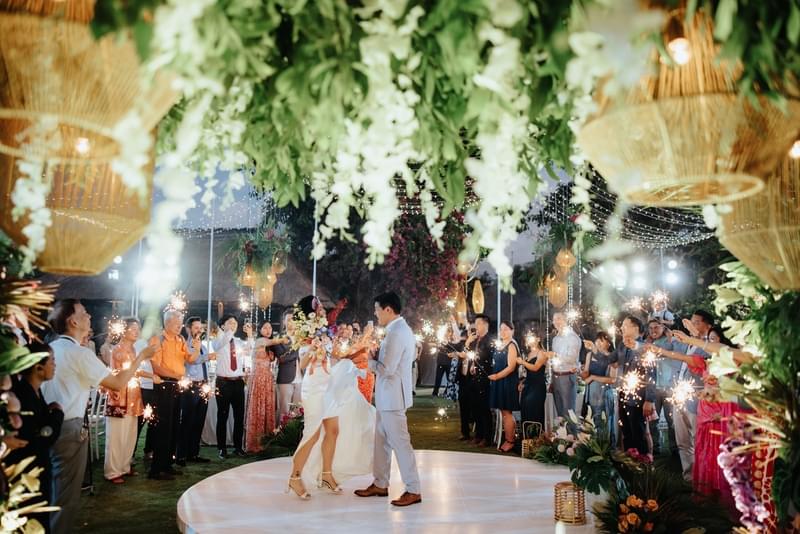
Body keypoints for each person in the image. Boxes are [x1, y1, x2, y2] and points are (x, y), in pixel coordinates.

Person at [42, 299, 155, 534]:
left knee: (50, 491)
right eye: (84, 313)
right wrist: (141, 357)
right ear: (73, 321)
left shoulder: (51, 348)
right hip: (69, 427)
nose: (89, 316)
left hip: (46, 424)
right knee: (65, 497)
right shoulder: (79, 353)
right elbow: (117, 382)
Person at [288, 296, 375, 500]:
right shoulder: (303, 334)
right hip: (314, 388)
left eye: (320, 306)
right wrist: (313, 348)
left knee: (333, 431)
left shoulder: (325, 331)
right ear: (309, 313)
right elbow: (302, 365)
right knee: (312, 434)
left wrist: (360, 343)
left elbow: (336, 355)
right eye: (317, 306)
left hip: (328, 386)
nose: (321, 309)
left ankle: (327, 475)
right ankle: (295, 476)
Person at [355, 292, 422, 507]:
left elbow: (387, 369)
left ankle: (413, 489)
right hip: (388, 396)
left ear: (388, 309)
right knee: (382, 442)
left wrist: (369, 360)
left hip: (393, 397)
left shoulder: (397, 332)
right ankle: (380, 483)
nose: (376, 314)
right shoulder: (398, 330)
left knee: (401, 444)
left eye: (377, 310)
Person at [7, 342, 63, 533]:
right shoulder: (23, 397)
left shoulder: (35, 391)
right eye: (52, 361)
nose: (55, 365)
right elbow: (44, 436)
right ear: (38, 367)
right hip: (28, 476)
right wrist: (57, 415)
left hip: (37, 471)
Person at [148, 310, 202, 480]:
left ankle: (167, 464)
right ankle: (156, 469)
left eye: (180, 324)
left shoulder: (180, 340)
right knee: (163, 426)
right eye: (177, 324)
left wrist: (197, 348)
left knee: (173, 426)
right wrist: (176, 376)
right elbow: (155, 366)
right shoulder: (158, 339)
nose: (180, 326)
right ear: (167, 323)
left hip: (177, 385)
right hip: (164, 384)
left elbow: (190, 359)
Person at [104, 318, 145, 483]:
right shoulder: (117, 350)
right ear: (124, 331)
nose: (137, 332)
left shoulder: (133, 349)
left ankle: (125, 466)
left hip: (133, 396)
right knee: (116, 437)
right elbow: (119, 373)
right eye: (133, 328)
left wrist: (151, 376)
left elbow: (135, 371)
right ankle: (112, 471)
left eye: (138, 328)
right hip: (119, 397)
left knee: (130, 434)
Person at [613, 316, 656, 456]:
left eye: (625, 325)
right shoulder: (622, 346)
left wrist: (649, 400)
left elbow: (651, 374)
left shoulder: (645, 348)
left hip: (638, 397)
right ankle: (629, 462)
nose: (622, 328)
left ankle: (643, 463)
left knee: (638, 433)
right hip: (623, 395)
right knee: (626, 432)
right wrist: (595, 350)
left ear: (635, 328)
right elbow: (610, 359)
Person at [212, 314, 251, 459]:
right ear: (222, 326)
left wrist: (250, 335)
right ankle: (222, 448)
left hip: (238, 382)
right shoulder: (217, 340)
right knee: (222, 415)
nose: (234, 325)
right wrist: (228, 331)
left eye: (235, 323)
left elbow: (250, 349)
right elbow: (222, 343)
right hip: (223, 383)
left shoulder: (238, 341)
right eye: (230, 322)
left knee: (239, 416)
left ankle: (238, 447)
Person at [646, 319, 685, 455]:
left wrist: (670, 337)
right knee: (652, 420)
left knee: (672, 420)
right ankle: (655, 449)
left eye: (656, 327)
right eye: (651, 328)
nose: (653, 330)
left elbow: (675, 352)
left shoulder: (670, 341)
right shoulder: (648, 343)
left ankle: (675, 450)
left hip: (670, 387)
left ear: (663, 328)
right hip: (654, 388)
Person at [176, 316, 212, 465]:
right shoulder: (185, 345)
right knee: (187, 421)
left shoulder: (203, 346)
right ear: (188, 329)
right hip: (190, 386)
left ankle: (194, 453)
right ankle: (181, 455)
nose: (199, 330)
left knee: (199, 421)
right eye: (196, 327)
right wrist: (207, 357)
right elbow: (193, 360)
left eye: (201, 328)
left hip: (203, 385)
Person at [244, 326, 285, 453]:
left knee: (267, 409)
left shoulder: (271, 346)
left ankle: (267, 442)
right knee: (257, 408)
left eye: (270, 328)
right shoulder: (260, 341)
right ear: (260, 330)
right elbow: (273, 341)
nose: (268, 330)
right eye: (265, 327)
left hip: (268, 379)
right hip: (258, 379)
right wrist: (286, 337)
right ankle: (254, 443)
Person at [489, 320, 520, 452]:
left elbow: (511, 367)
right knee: (503, 411)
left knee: (507, 412)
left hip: (507, 382)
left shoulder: (512, 345)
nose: (503, 332)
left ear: (512, 330)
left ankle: (510, 441)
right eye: (501, 329)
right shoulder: (501, 344)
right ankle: (508, 437)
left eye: (506, 329)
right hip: (499, 381)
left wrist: (497, 376)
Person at [580, 331, 615, 432]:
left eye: (602, 341)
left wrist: (593, 377)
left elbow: (612, 379)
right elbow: (586, 373)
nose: (598, 343)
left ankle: (604, 440)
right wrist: (581, 372)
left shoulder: (612, 357)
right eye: (597, 340)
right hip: (591, 391)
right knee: (590, 419)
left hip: (603, 392)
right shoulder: (590, 355)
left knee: (602, 421)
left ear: (609, 343)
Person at [550, 313, 582, 420]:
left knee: (568, 412)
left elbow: (572, 358)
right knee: (559, 413)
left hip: (567, 377)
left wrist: (555, 355)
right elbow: (555, 360)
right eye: (554, 319)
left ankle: (571, 431)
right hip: (556, 376)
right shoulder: (555, 339)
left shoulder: (572, 337)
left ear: (566, 320)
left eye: (559, 319)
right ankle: (561, 431)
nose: (556, 322)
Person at [334, 322, 376, 403]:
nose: (349, 332)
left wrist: (372, 347)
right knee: (355, 401)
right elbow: (345, 354)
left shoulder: (365, 342)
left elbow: (370, 354)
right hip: (355, 374)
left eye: (351, 330)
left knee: (366, 400)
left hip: (367, 374)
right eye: (347, 329)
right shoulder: (345, 345)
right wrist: (365, 335)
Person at [517, 334, 549, 434]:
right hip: (528, 385)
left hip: (537, 386)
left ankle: (536, 437)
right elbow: (528, 372)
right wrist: (522, 382)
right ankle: (526, 437)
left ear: (538, 339)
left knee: (535, 411)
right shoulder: (529, 353)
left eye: (532, 337)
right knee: (525, 410)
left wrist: (522, 362)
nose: (529, 340)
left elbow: (535, 368)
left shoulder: (542, 353)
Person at [276, 310, 302, 420]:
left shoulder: (302, 337)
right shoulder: (279, 338)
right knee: (284, 411)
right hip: (286, 378)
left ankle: (295, 431)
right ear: (284, 321)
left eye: (294, 319)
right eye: (289, 319)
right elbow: (282, 358)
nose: (291, 322)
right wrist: (298, 349)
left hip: (301, 378)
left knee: (298, 411)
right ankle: (281, 431)